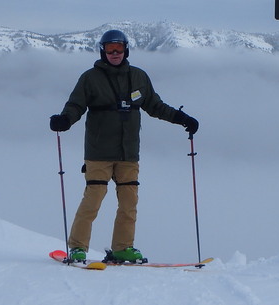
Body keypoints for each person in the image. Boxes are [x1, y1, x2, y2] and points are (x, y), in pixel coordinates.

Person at [49, 29, 199, 264]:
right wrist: (65, 120)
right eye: (110, 49)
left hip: (129, 152)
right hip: (99, 151)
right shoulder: (90, 78)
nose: (115, 53)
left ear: (126, 49)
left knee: (129, 204)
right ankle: (78, 247)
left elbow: (155, 105)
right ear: (103, 51)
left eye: (119, 48)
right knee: (93, 200)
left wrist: (182, 119)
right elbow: (76, 105)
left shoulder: (139, 77)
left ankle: (122, 248)